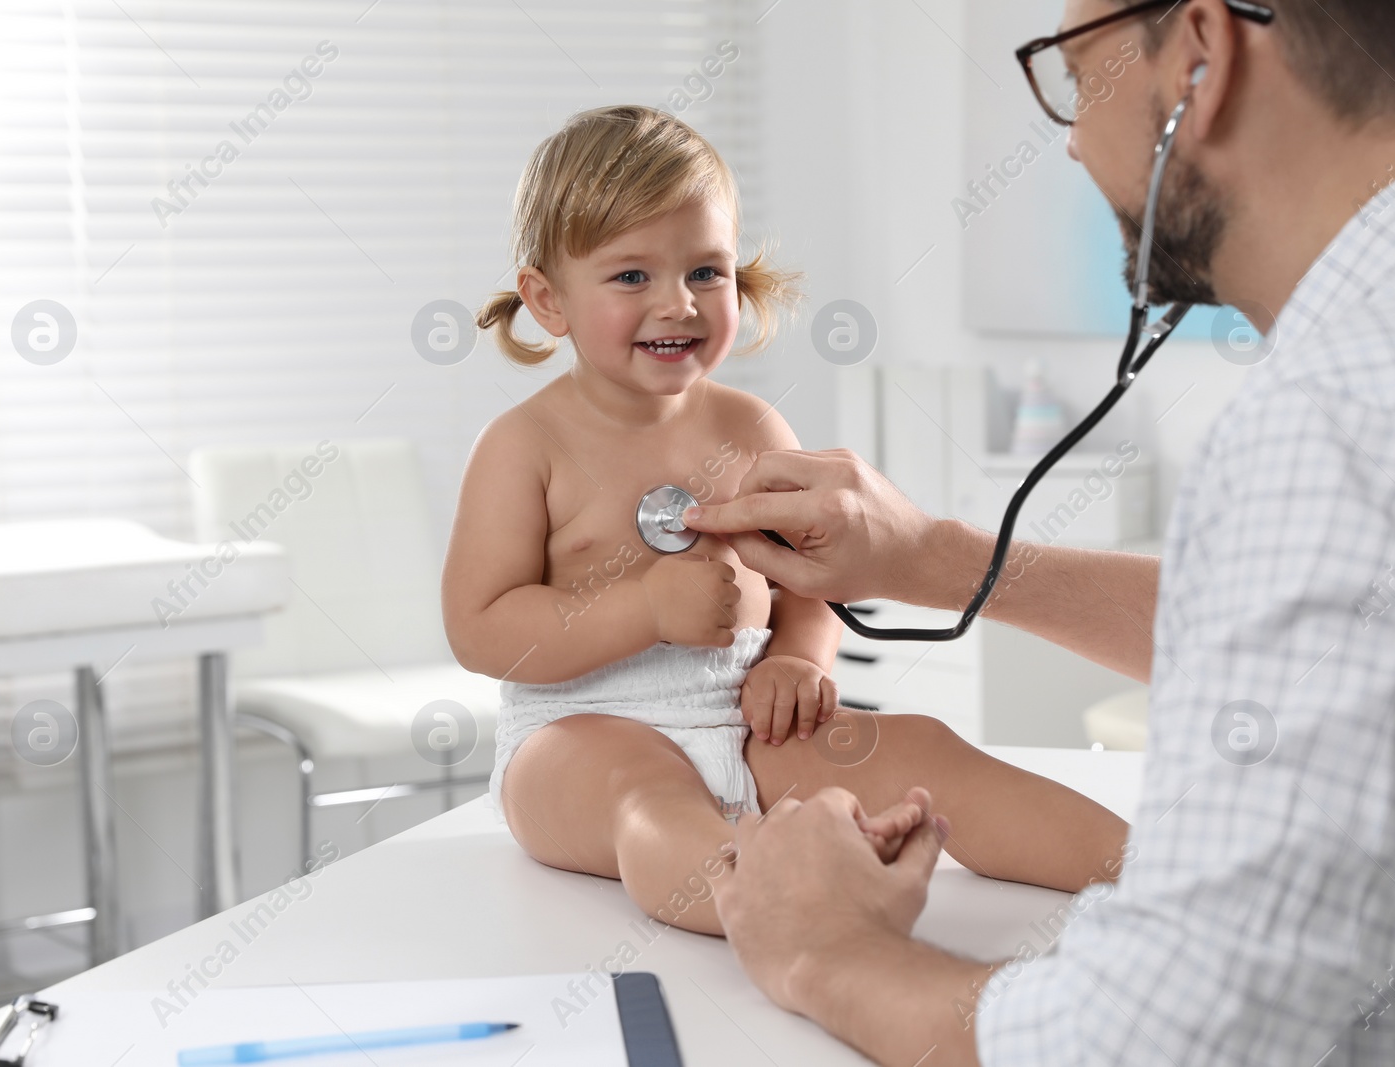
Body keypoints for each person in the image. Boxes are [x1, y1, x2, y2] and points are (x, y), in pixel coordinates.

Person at [681, 0, 1395, 1063]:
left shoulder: (1335, 420)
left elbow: (1173, 1038)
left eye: (1074, 74)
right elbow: (1359, 628)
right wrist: (935, 559)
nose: (1075, 137)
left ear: (1201, 53)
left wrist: (828, 950)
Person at [440, 105, 1127, 937]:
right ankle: (778, 908)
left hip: (747, 720)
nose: (678, 304)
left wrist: (798, 659)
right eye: (631, 277)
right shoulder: (525, 445)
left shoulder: (752, 429)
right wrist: (644, 611)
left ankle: (1153, 868)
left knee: (924, 749)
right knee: (644, 794)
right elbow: (481, 628)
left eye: (706, 271)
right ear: (548, 300)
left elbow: (808, 585)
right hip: (578, 733)